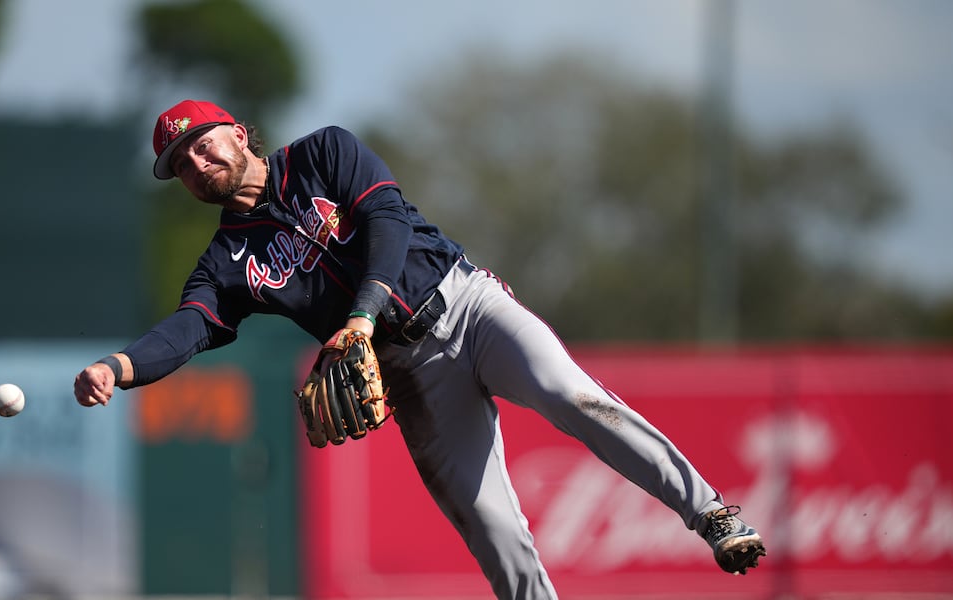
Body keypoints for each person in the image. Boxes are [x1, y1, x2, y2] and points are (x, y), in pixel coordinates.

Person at [73, 99, 767, 598]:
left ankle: (711, 514)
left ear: (238, 130)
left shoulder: (325, 152)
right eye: (181, 162)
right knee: (490, 523)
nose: (197, 162)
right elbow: (190, 325)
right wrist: (119, 367)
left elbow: (385, 220)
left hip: (468, 305)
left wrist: (363, 313)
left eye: (203, 141)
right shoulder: (227, 258)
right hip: (409, 375)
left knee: (571, 395)